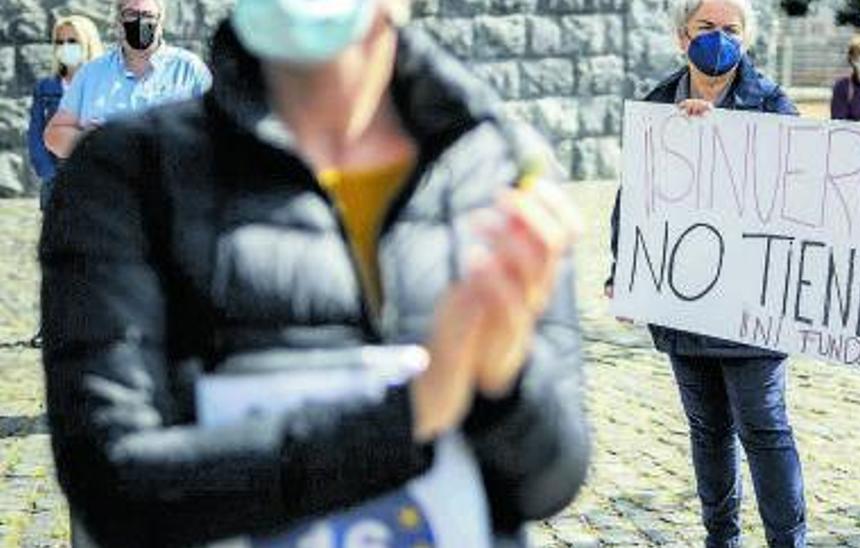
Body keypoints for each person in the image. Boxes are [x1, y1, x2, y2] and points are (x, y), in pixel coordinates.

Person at [40, 0, 589, 546]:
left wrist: (504, 381)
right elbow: (110, 488)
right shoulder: (125, 174)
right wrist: (411, 413)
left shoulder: (492, 165)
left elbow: (551, 483)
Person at [606, 1, 805, 546]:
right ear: (681, 37)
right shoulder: (655, 106)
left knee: (764, 429)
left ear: (747, 39)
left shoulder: (772, 106)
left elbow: (799, 193)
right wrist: (624, 268)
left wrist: (724, 140)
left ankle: (788, 541)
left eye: (731, 30)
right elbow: (636, 196)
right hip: (682, 301)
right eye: (706, 28)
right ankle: (722, 538)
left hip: (751, 308)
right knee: (708, 432)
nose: (719, 38)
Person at [43, 0, 211, 159]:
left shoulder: (189, 70)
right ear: (118, 23)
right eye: (131, 14)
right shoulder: (91, 73)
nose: (139, 22)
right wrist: (88, 139)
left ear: (160, 23)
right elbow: (54, 135)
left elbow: (223, 132)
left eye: (147, 15)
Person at [27, 15, 104, 209]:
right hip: (56, 182)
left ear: (87, 43)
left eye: (72, 41)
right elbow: (35, 135)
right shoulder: (45, 87)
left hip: (97, 182)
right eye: (60, 42)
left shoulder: (105, 84)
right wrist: (50, 174)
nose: (65, 46)